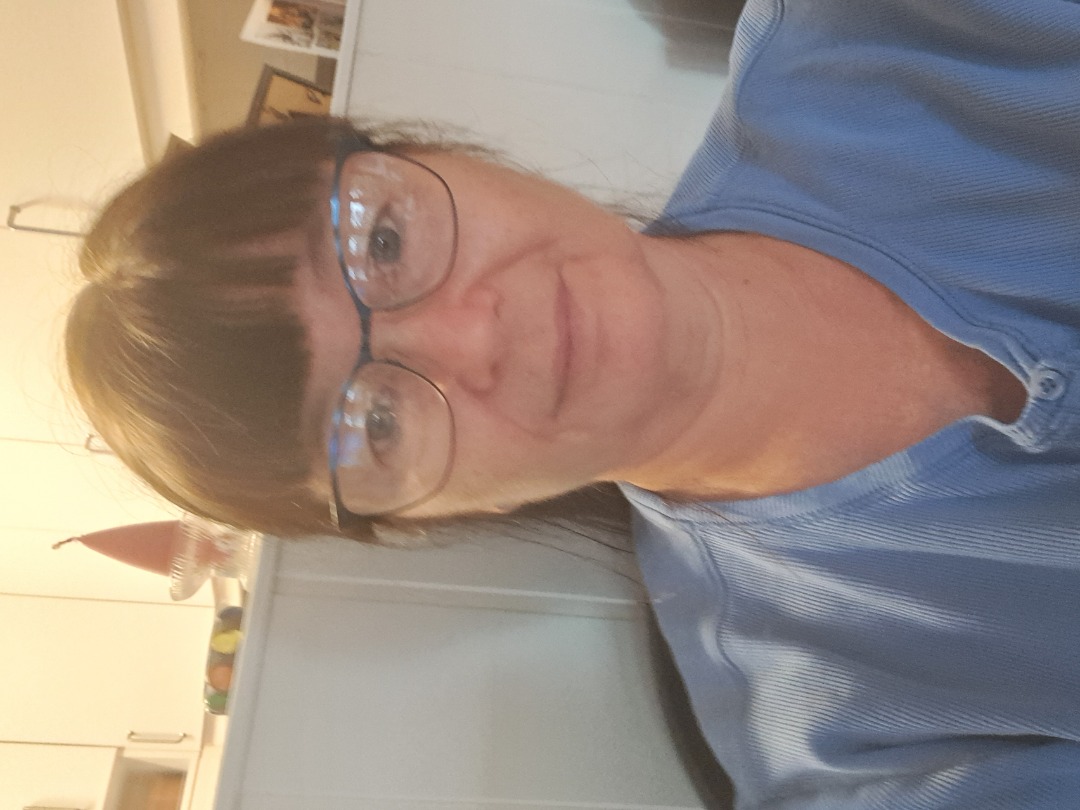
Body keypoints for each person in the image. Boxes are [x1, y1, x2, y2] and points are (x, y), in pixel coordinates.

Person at [65, 0, 1080, 805]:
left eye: (383, 240)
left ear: (436, 154)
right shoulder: (854, 753)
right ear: (438, 513)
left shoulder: (887, 29)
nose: (475, 338)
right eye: (374, 424)